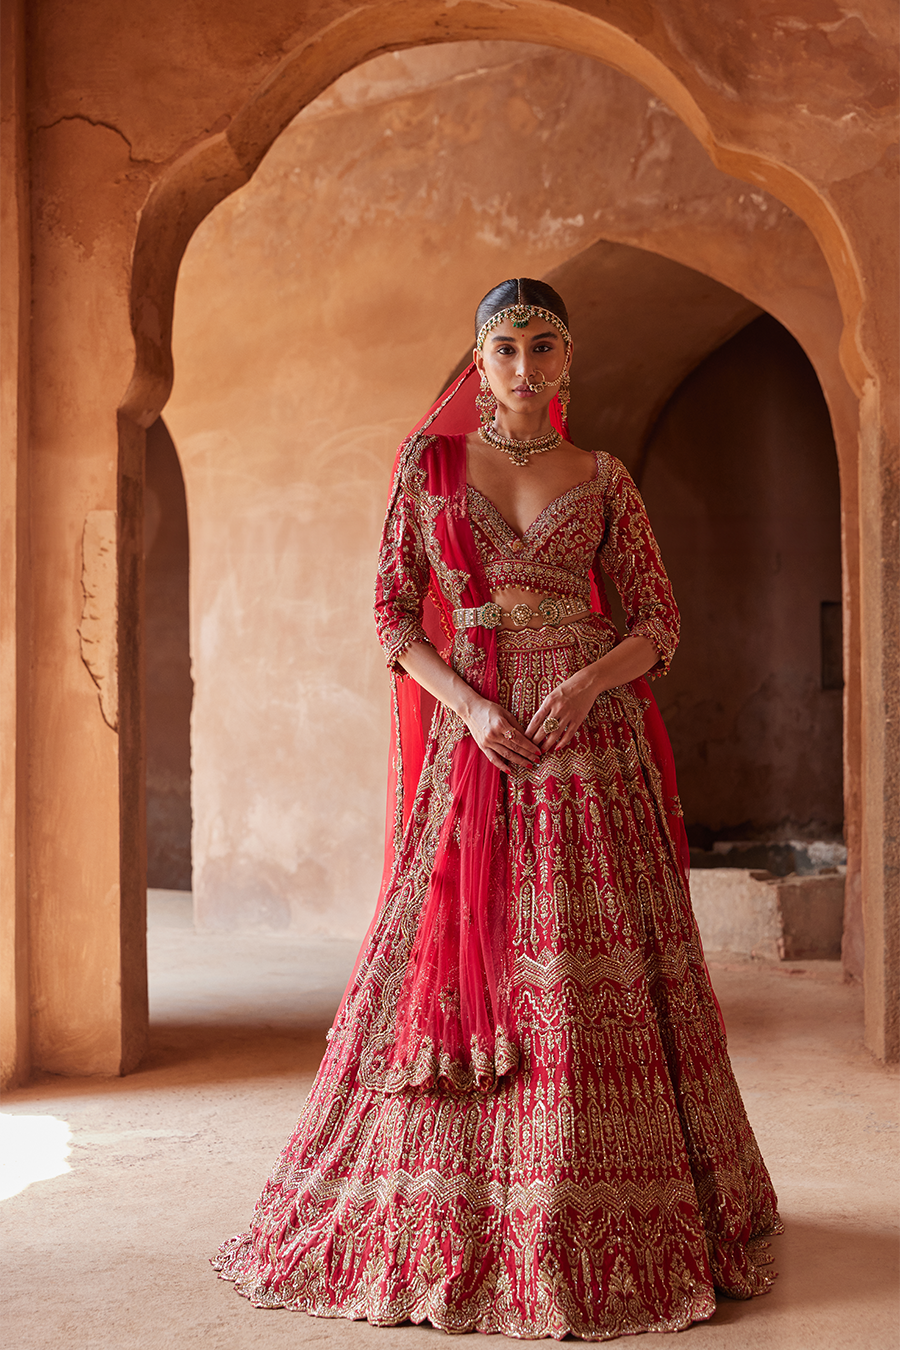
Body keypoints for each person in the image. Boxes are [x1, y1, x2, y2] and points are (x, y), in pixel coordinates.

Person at [213, 277, 781, 1339]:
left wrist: (588, 682)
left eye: (544, 345)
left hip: (587, 754)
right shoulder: (429, 471)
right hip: (475, 750)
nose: (524, 365)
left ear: (570, 362)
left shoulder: (605, 478)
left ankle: (586, 1213)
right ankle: (449, 1215)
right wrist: (470, 709)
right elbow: (390, 616)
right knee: (462, 957)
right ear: (479, 364)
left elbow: (659, 622)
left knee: (580, 969)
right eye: (506, 346)